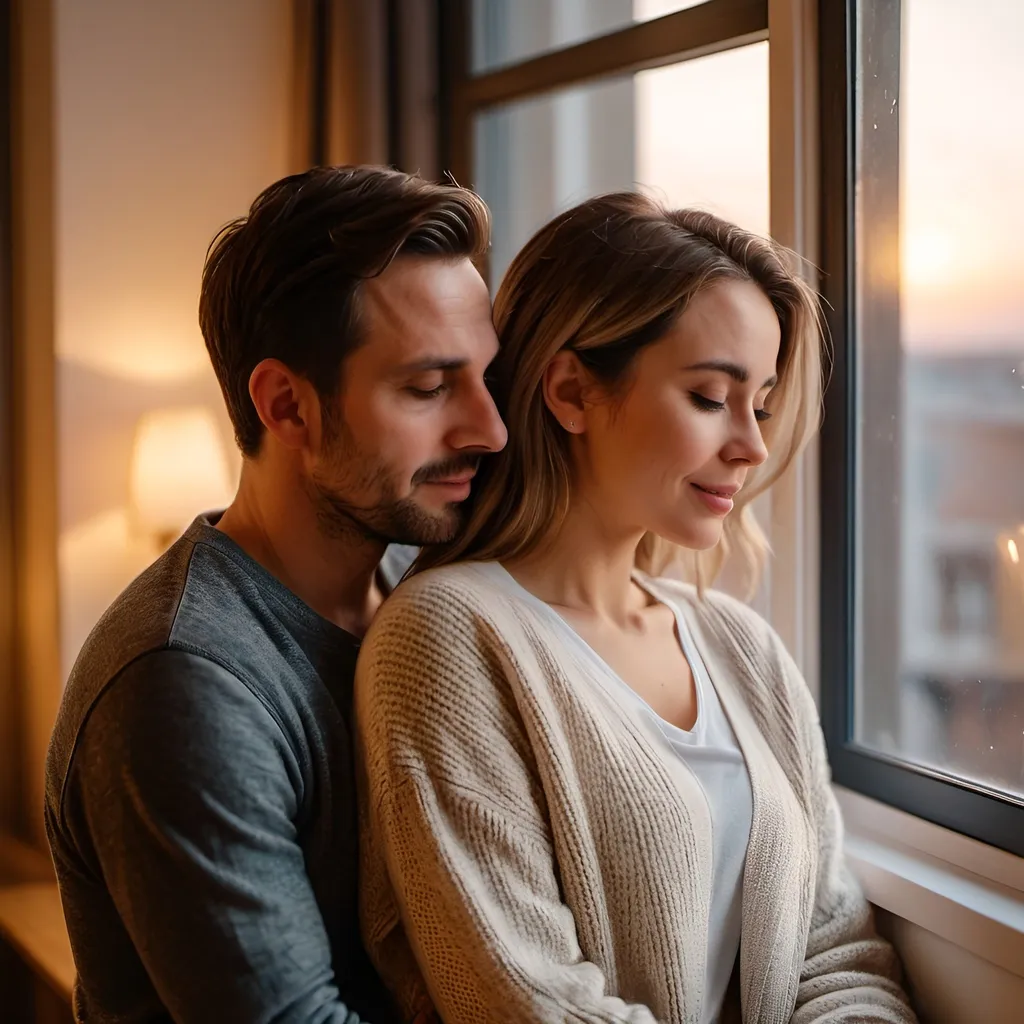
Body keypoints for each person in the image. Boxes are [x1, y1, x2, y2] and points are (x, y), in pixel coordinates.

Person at [356, 193, 917, 1023]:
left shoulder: (742, 649)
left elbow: (842, 956)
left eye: (759, 404)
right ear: (573, 391)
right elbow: (523, 1001)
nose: (752, 446)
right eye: (707, 397)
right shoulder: (446, 639)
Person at [44, 165, 506, 1023]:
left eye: (486, 377)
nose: (491, 427)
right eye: (429, 387)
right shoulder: (184, 682)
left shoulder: (424, 593)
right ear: (288, 407)